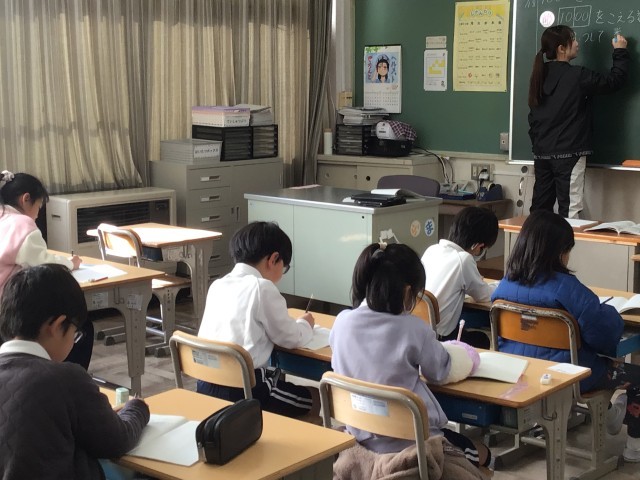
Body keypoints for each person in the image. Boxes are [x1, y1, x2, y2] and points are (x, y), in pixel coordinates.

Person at [493, 210, 640, 462]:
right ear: (559, 251)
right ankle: (634, 448)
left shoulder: (505, 285)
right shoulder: (568, 288)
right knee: (634, 376)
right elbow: (605, 334)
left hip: (519, 371)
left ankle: (610, 415)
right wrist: (611, 314)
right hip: (569, 376)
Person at [331, 242, 491, 470]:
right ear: (407, 292)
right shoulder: (414, 329)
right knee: (482, 453)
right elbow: (440, 371)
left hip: (360, 436)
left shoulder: (341, 323)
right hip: (414, 443)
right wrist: (465, 356)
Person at [0, 264, 150, 479]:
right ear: (57, 325)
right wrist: (137, 408)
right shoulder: (64, 378)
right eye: (75, 333)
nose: (74, 341)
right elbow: (117, 441)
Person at [197, 221, 319, 420]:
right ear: (274, 259)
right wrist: (306, 324)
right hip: (246, 392)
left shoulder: (218, 285)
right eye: (284, 267)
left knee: (280, 384)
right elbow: (291, 338)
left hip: (205, 384)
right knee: (316, 397)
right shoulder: (261, 287)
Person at [528, 25, 629, 219]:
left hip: (542, 154)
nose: (577, 43)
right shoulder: (577, 75)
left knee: (540, 210)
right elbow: (614, 82)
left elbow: (533, 117)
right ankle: (565, 241)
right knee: (569, 212)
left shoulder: (539, 75)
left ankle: (536, 240)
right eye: (573, 39)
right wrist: (620, 52)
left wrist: (539, 144)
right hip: (569, 154)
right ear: (561, 48)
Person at [0, 170, 92, 369]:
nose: (37, 214)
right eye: (39, 206)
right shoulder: (21, 224)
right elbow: (43, 263)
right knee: (80, 326)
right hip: (8, 307)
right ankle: (68, 376)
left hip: (7, 307)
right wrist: (70, 263)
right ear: (26, 199)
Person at [421, 207, 499, 348]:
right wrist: (499, 284)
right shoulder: (463, 259)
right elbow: (484, 296)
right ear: (479, 247)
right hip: (441, 339)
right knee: (482, 339)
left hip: (420, 331)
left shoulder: (431, 250)